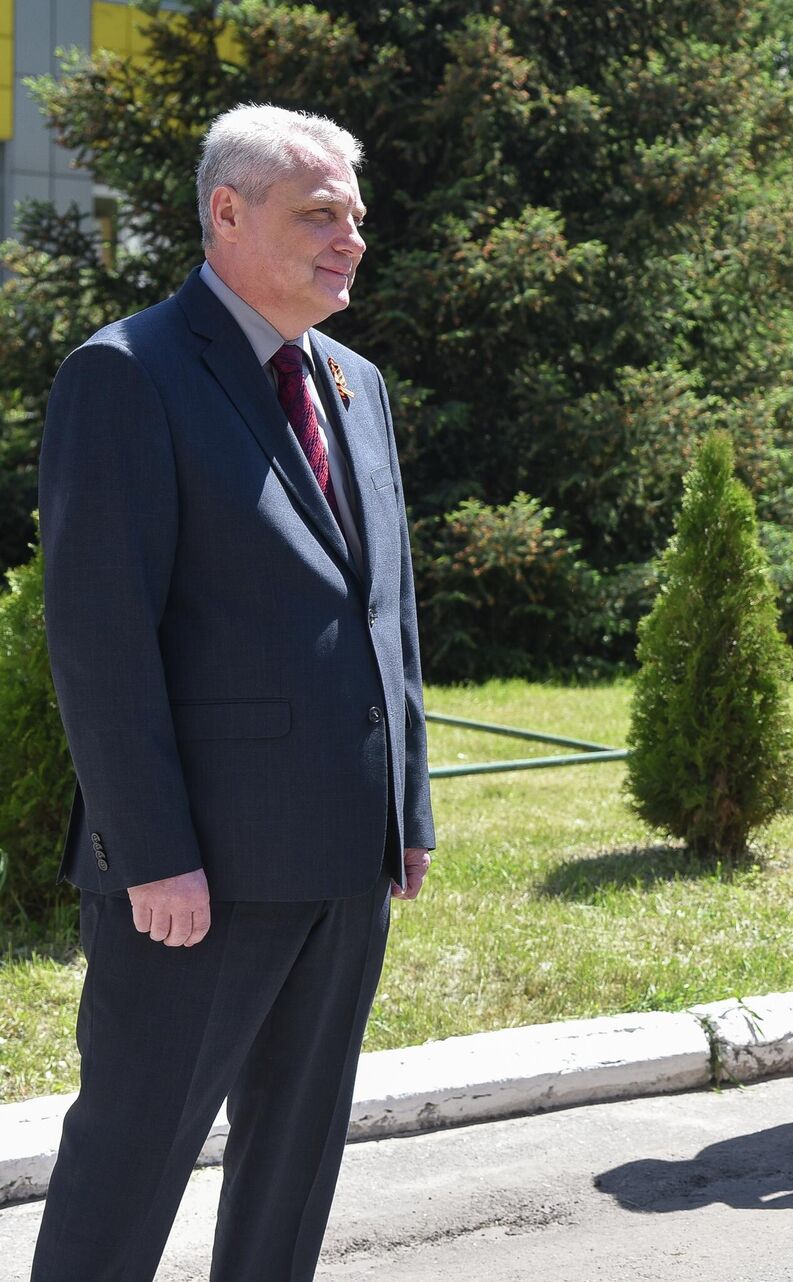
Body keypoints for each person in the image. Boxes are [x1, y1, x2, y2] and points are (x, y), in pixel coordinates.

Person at [32, 104, 434, 1281]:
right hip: (194, 876)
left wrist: (405, 810)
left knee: (295, 1167)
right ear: (226, 213)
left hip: (342, 863)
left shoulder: (355, 381)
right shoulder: (126, 373)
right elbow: (99, 639)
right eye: (319, 216)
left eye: (357, 218)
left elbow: (386, 615)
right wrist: (152, 850)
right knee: (130, 1158)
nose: (351, 239)